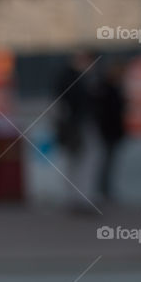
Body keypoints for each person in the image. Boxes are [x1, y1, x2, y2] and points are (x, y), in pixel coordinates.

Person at [53, 50, 100, 211]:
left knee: (80, 162)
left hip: (78, 126)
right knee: (77, 162)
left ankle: (79, 197)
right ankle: (78, 198)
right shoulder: (73, 77)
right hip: (75, 127)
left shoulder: (72, 76)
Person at [92, 61, 127, 202]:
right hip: (108, 132)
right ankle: (102, 191)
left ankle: (104, 190)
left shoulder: (112, 88)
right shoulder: (107, 89)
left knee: (108, 163)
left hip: (112, 132)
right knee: (104, 162)